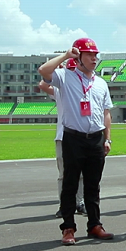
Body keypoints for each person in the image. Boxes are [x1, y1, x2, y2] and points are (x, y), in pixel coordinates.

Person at [38, 38, 114, 246]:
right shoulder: (65, 76)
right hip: (73, 137)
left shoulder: (100, 83)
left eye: (95, 55)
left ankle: (95, 224)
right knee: (70, 184)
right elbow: (44, 71)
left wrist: (107, 138)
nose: (94, 59)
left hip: (96, 138)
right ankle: (68, 227)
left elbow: (106, 113)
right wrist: (65, 56)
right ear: (78, 57)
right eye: (89, 55)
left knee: (93, 185)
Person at [38, 58, 86, 218]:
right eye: (69, 70)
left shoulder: (86, 87)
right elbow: (43, 84)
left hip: (82, 134)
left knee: (81, 174)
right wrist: (58, 67)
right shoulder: (60, 89)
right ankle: (64, 204)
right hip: (63, 135)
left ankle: (80, 202)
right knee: (64, 173)